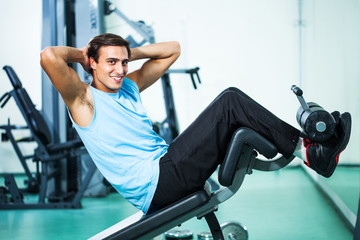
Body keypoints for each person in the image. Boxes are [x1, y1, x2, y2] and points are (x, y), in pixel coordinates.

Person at [40, 33, 351, 215]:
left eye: (124, 62)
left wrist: (125, 53)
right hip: (157, 183)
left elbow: (172, 49)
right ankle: (310, 152)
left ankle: (311, 146)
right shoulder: (84, 101)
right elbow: (49, 56)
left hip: (166, 165)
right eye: (111, 62)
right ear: (92, 64)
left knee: (232, 111)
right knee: (230, 101)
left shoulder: (129, 86)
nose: (120, 69)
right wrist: (83, 54)